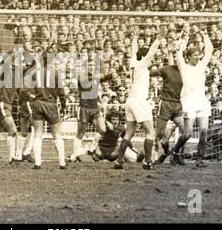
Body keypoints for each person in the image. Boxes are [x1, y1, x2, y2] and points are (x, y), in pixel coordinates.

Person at [114, 23, 167, 170]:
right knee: (150, 132)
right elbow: (150, 52)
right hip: (139, 101)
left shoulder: (133, 62)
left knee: (129, 131)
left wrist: (135, 37)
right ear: (144, 56)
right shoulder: (143, 64)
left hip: (130, 101)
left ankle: (119, 161)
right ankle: (148, 161)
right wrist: (158, 38)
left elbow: (133, 51)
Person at [172, 26, 214, 167]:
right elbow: (178, 52)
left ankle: (200, 159)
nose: (198, 57)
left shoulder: (201, 66)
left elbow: (210, 51)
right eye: (195, 55)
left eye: (198, 55)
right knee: (188, 133)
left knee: (204, 131)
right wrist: (183, 37)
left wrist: (205, 34)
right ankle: (175, 151)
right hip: (188, 102)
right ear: (189, 56)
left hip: (201, 101)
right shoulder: (183, 67)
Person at [149, 39, 185, 165]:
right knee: (161, 137)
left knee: (186, 133)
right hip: (165, 105)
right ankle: (162, 154)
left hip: (179, 106)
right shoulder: (167, 69)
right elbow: (152, 73)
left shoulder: (186, 72)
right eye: (174, 56)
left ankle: (177, 154)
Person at [69, 59, 111, 162]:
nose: (92, 68)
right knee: (80, 133)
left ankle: (91, 149)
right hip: (84, 108)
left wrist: (111, 75)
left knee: (103, 130)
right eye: (90, 66)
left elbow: (105, 78)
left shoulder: (96, 78)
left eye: (93, 66)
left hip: (95, 108)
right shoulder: (82, 77)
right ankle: (76, 155)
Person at [31, 52, 68, 170]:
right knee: (56, 133)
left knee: (37, 132)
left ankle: (37, 163)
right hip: (50, 104)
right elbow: (61, 91)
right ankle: (62, 163)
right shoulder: (56, 73)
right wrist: (63, 106)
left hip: (38, 103)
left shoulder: (35, 73)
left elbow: (28, 89)